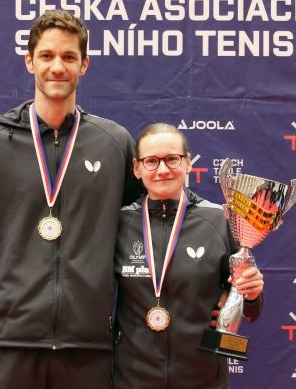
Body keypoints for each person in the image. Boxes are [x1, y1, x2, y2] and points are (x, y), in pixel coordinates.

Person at [0, 10, 142, 388]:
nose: (57, 67)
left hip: (87, 347)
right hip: (7, 342)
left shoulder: (114, 143)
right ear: (30, 61)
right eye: (47, 56)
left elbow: (147, 234)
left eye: (68, 57)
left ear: (84, 64)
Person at [113, 123, 264, 388]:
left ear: (188, 163)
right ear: (137, 168)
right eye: (151, 161)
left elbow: (249, 311)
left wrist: (250, 295)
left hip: (203, 378)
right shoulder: (119, 223)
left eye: (172, 159)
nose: (162, 169)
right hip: (132, 378)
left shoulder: (219, 220)